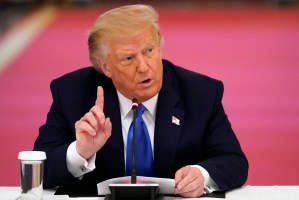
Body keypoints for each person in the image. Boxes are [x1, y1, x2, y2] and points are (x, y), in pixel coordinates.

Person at [34, 4, 248, 198]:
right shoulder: (73, 93)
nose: (144, 67)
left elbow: (234, 161)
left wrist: (202, 175)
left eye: (149, 51)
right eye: (128, 58)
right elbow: (39, 168)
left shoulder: (200, 93)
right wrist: (80, 152)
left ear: (160, 45)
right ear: (106, 67)